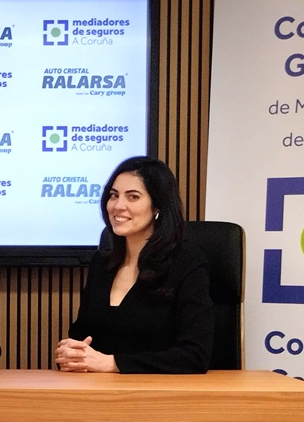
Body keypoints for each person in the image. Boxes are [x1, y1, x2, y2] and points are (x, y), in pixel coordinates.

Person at [55, 156, 213, 374]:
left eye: (133, 197)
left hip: (161, 392)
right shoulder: (102, 264)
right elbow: (81, 337)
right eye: (114, 195)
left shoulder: (187, 264)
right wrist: (71, 353)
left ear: (157, 206)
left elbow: (195, 356)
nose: (118, 206)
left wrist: (112, 364)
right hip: (98, 390)